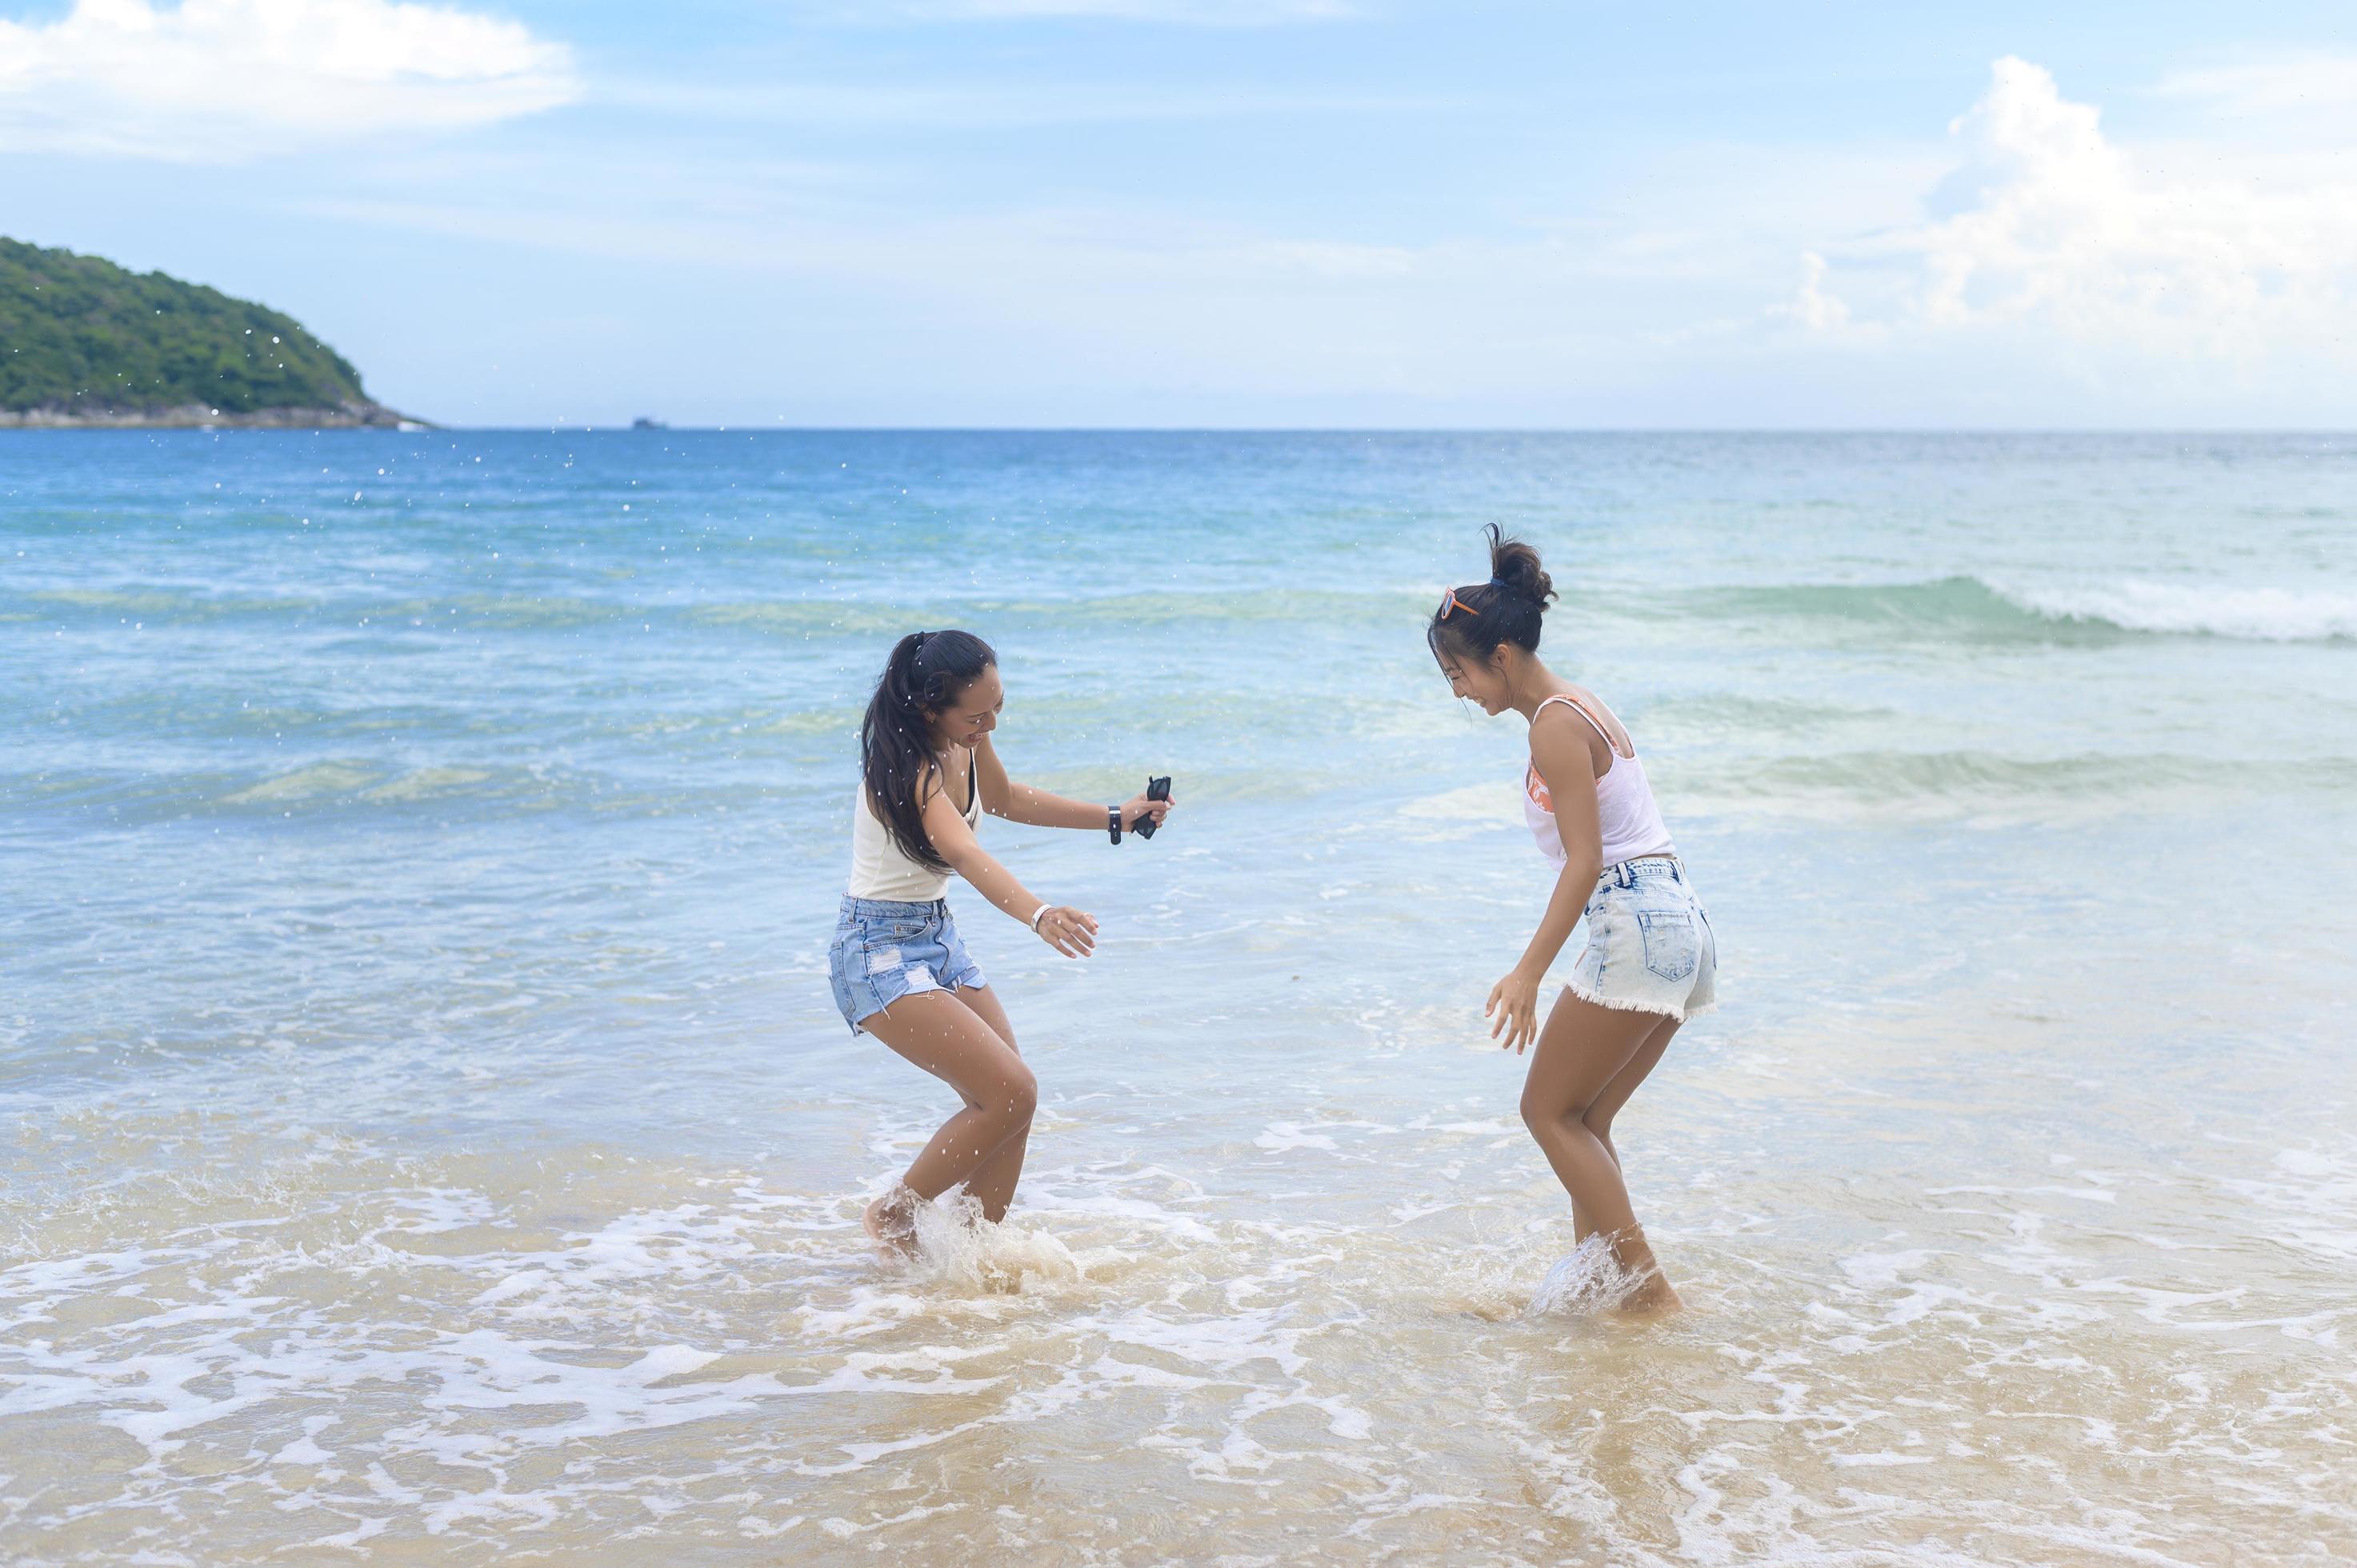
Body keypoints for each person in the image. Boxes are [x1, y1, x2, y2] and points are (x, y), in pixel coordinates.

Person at [1427, 528, 1716, 1314]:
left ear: (1503, 657)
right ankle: (1599, 1289)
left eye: (1459, 672)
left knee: (1543, 1111)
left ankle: (1649, 1295)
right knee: (1583, 1119)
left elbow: (1586, 860)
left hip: (1636, 920)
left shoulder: (1553, 724)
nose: (1459, 691)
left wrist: (1527, 973)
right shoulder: (1581, 704)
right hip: (1678, 921)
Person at [832, 629, 1175, 1258]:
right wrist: (1039, 914)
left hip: (935, 936)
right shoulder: (911, 770)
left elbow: (1007, 799)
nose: (989, 724)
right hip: (877, 950)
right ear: (930, 708)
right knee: (1009, 1092)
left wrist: (1115, 817)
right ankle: (894, 1215)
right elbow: (962, 851)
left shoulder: (968, 741)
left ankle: (972, 1259)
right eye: (976, 714)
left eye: (998, 707)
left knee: (1012, 1102)